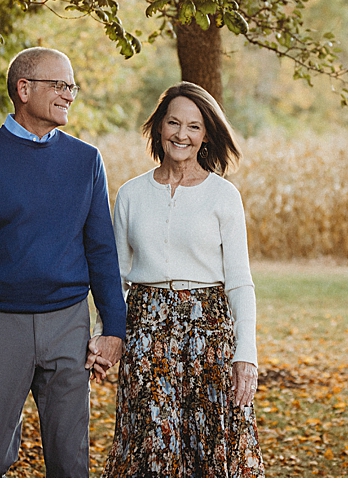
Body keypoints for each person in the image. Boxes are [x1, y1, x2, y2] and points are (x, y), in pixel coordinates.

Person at [0, 47, 127, 477]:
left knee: (70, 462)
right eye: (60, 85)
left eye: (71, 87)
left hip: (69, 325)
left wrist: (114, 328)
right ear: (24, 89)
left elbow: (101, 250)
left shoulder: (86, 160)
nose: (69, 95)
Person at [90, 81, 264, 477]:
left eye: (193, 127)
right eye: (173, 123)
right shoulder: (131, 194)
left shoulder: (223, 196)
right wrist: (107, 333)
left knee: (212, 445)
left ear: (206, 135)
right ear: (159, 127)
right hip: (146, 332)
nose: (181, 135)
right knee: (151, 445)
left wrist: (246, 354)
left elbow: (240, 282)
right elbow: (114, 277)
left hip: (209, 333)